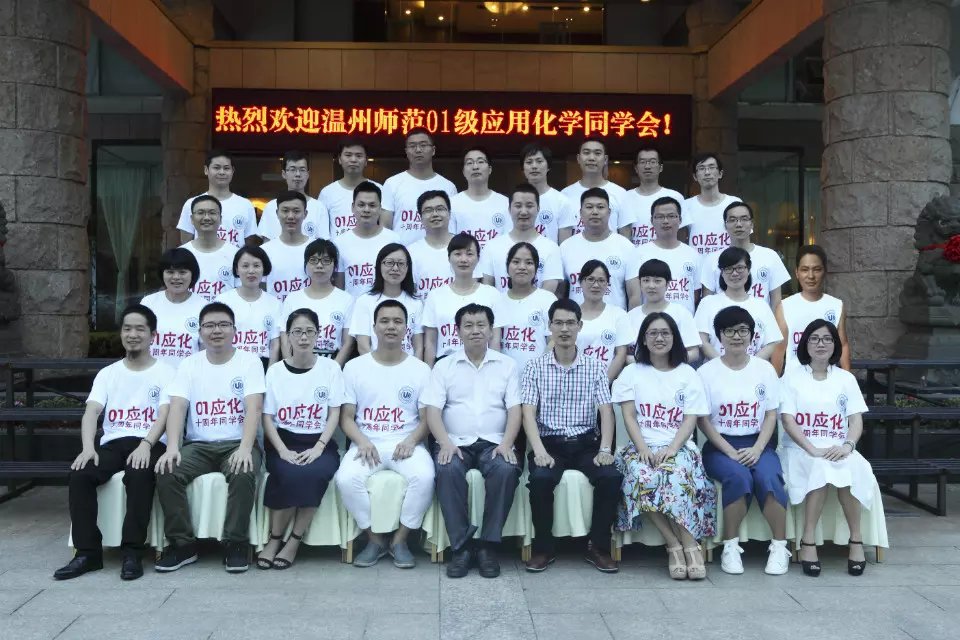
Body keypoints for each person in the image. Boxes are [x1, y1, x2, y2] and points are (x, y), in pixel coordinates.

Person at [54, 305, 175, 582]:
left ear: (153, 335)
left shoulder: (166, 373)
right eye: (127, 329)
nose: (133, 334)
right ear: (121, 334)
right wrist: (88, 448)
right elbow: (92, 412)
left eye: (140, 329)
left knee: (139, 473)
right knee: (80, 474)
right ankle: (87, 553)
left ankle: (132, 551)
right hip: (113, 443)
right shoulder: (108, 373)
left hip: (149, 442)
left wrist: (146, 443)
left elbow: (165, 414)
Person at [153, 302, 266, 573]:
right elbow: (178, 407)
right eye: (210, 325)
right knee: (167, 470)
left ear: (234, 330)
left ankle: (236, 543)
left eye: (223, 325)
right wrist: (172, 447)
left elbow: (254, 408)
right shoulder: (189, 364)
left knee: (243, 471)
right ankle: (183, 544)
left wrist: (245, 448)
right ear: (200, 331)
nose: (217, 330)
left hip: (236, 443)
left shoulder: (249, 361)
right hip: (199, 445)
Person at [612, 312, 716, 580]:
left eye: (665, 333)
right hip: (641, 446)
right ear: (643, 339)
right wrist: (643, 449)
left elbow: (690, 417)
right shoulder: (631, 372)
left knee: (676, 475)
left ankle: (690, 545)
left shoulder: (687, 374)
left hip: (679, 447)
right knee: (641, 476)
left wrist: (672, 448)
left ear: (675, 338)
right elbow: (629, 416)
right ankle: (675, 545)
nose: (659, 338)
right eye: (653, 333)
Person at [521, 299, 621, 573]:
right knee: (540, 480)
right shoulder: (534, 367)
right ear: (550, 326)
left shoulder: (595, 367)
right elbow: (528, 413)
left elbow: (606, 411)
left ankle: (598, 547)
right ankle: (544, 548)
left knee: (611, 477)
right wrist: (539, 451)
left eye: (570, 323)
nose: (564, 329)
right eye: (558, 323)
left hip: (586, 443)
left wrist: (605, 449)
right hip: (550, 444)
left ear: (580, 326)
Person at [422, 304, 522, 578]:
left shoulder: (507, 365)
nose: (475, 330)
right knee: (447, 470)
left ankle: (489, 546)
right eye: (468, 325)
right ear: (457, 331)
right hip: (454, 442)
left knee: (505, 470)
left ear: (491, 330)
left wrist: (506, 443)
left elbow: (515, 409)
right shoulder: (444, 366)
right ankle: (462, 548)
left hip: (495, 442)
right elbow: (433, 411)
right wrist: (445, 443)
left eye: (481, 325)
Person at [335, 300, 434, 568]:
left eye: (397, 321)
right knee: (346, 479)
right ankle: (375, 540)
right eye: (385, 321)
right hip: (367, 442)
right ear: (374, 326)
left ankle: (400, 540)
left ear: (406, 328)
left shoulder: (420, 369)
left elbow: (428, 418)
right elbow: (346, 417)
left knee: (425, 477)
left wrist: (412, 440)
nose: (391, 326)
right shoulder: (355, 367)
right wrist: (362, 440)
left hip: (407, 443)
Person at [697, 306, 791, 576]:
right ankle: (730, 546)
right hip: (720, 445)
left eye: (742, 330)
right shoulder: (706, 372)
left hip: (758, 442)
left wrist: (759, 448)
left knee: (769, 477)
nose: (736, 336)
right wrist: (728, 450)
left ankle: (779, 547)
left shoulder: (765, 370)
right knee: (737, 476)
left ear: (752, 335)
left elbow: (771, 415)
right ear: (719, 336)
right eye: (729, 331)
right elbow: (703, 420)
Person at [780, 319, 873, 577]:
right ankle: (808, 540)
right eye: (814, 338)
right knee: (820, 466)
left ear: (835, 345)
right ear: (805, 344)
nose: (821, 344)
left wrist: (848, 446)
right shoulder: (791, 378)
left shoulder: (846, 379)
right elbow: (787, 420)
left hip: (838, 446)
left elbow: (856, 420)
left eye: (827, 339)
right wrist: (811, 448)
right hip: (801, 448)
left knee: (853, 466)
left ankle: (856, 540)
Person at [256, 309, 345, 570]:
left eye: (309, 331)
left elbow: (334, 413)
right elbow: (267, 417)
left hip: (319, 443)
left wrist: (319, 447)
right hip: (283, 442)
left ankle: (294, 540)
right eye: (297, 332)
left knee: (314, 473)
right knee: (287, 473)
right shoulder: (275, 372)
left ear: (318, 335)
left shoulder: (331, 368)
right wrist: (282, 450)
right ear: (288, 336)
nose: (303, 337)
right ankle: (275, 539)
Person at [422, 233, 503, 366]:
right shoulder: (435, 296)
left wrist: (494, 370)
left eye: (469, 254)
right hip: (445, 366)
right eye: (458, 254)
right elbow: (430, 342)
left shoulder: (491, 294)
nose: (463, 259)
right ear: (449, 258)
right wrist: (430, 372)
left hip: (482, 365)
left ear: (478, 258)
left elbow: (495, 341)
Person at [694, 247, 783, 361]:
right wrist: (723, 365)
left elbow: (771, 343)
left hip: (753, 369)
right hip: (715, 368)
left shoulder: (762, 306)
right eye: (728, 269)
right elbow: (702, 340)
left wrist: (749, 366)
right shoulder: (707, 303)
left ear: (748, 270)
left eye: (740, 268)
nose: (735, 273)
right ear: (721, 272)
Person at [773, 245, 850, 375]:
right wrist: (774, 382)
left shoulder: (836, 306)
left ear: (825, 271)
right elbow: (779, 350)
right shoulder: (785, 307)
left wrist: (848, 379)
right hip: (794, 381)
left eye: (817, 269)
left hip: (828, 380)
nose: (811, 276)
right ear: (797, 273)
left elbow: (843, 345)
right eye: (805, 270)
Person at [279, 239, 355, 368]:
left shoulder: (346, 299)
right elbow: (285, 338)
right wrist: (291, 367)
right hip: (297, 365)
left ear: (335, 266)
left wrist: (333, 369)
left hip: (331, 364)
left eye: (326, 260)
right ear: (305, 265)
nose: (319, 265)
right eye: (313, 260)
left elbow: (348, 343)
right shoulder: (293, 299)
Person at [700, 202, 790, 309]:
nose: (738, 224)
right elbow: (706, 303)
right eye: (732, 220)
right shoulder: (712, 259)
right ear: (725, 225)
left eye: (744, 219)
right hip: (724, 318)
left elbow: (776, 303)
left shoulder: (770, 256)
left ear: (752, 224)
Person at [560, 188, 635, 310]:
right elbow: (560, 293)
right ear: (580, 213)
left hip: (615, 319)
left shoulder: (626, 247)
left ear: (609, 212)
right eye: (589, 207)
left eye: (600, 207)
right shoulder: (566, 247)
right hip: (575, 319)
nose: (595, 212)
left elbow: (634, 295)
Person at [480, 183, 563, 294]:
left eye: (529, 206)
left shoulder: (551, 248)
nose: (523, 212)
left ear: (538, 209)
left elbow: (549, 292)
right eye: (518, 206)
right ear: (509, 209)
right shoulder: (492, 247)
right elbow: (487, 288)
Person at [380, 127, 457, 245]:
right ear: (406, 151)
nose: (418, 150)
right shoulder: (392, 183)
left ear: (433, 150)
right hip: (401, 254)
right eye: (412, 146)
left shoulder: (448, 187)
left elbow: (452, 226)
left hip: (438, 252)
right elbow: (385, 228)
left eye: (423, 145)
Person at [626, 196, 701, 315]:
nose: (666, 221)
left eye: (671, 216)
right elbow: (634, 297)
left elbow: (695, 294)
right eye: (660, 217)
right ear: (652, 220)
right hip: (650, 322)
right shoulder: (638, 253)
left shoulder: (693, 254)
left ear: (680, 220)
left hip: (682, 322)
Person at [349, 243, 424, 358]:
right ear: (379, 266)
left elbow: (418, 347)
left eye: (401, 264)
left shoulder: (416, 303)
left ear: (407, 268)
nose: (395, 268)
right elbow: (363, 346)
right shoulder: (364, 301)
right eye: (389, 263)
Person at [215, 246, 281, 369]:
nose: (251, 271)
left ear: (264, 268)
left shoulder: (275, 303)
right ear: (237, 270)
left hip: (262, 365)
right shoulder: (222, 301)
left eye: (256, 266)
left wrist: (270, 372)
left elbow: (274, 343)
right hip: (228, 364)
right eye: (245, 266)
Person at [177, 149, 257, 247]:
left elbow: (249, 244)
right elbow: (186, 245)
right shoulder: (192, 204)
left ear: (233, 171)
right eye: (216, 168)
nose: (222, 172)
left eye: (226, 168)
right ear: (206, 170)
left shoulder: (245, 205)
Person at [625, 259, 701, 363]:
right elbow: (623, 354)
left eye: (657, 281)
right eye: (646, 280)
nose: (651, 286)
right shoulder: (630, 316)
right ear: (640, 284)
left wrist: (665, 363)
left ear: (668, 284)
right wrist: (645, 362)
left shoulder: (681, 313)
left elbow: (694, 353)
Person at [408, 190, 480, 298]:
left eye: (440, 209)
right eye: (428, 210)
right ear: (420, 217)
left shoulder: (466, 246)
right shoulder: (411, 252)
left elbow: (474, 285)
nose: (435, 214)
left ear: (449, 213)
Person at [141, 248, 206, 367]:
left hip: (188, 375)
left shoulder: (204, 307)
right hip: (152, 374)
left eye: (182, 272)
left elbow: (205, 350)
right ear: (162, 274)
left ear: (193, 274)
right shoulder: (148, 303)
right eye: (170, 272)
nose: (176, 277)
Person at [333, 182, 401, 297]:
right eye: (361, 205)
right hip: (353, 307)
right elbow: (339, 288)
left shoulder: (394, 239)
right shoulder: (339, 243)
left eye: (372, 205)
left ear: (380, 208)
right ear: (352, 207)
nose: (366, 210)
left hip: (385, 306)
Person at [559, 138, 632, 242]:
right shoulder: (565, 195)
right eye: (586, 153)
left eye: (597, 153)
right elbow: (564, 239)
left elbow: (625, 236)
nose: (591, 158)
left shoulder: (621, 194)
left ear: (605, 159)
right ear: (578, 158)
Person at [498, 242, 556, 370]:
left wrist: (539, 370)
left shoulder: (547, 299)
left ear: (536, 268)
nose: (522, 267)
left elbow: (554, 340)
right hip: (504, 376)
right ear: (507, 267)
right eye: (516, 262)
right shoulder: (497, 300)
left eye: (529, 263)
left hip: (539, 375)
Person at [576, 260, 631, 384]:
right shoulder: (571, 315)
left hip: (606, 385)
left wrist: (603, 385)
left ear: (607, 284)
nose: (596, 285)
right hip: (575, 383)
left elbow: (621, 354)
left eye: (601, 280)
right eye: (590, 279)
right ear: (581, 282)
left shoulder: (618, 314)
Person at [257, 151, 331, 241]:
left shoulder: (319, 207)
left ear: (308, 174)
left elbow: (323, 243)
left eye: (302, 170)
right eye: (292, 170)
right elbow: (266, 243)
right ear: (284, 174)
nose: (297, 174)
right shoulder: (271, 207)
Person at [621, 146, 686, 247]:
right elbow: (624, 234)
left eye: (652, 162)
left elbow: (682, 233)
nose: (647, 166)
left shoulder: (675, 197)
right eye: (642, 162)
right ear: (636, 168)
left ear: (661, 167)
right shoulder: (625, 197)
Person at [449, 147, 511, 250]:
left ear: (490, 169)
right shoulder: (452, 204)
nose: (475, 167)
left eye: (480, 162)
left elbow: (509, 242)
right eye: (469, 163)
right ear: (463, 172)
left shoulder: (505, 203)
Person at [319, 139, 382, 237]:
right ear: (340, 159)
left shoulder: (379, 189)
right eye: (348, 155)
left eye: (359, 156)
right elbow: (322, 231)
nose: (353, 160)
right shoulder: (327, 193)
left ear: (366, 160)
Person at [180, 194, 237, 302]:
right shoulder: (181, 253)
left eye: (212, 213)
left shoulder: (235, 254)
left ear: (220, 218)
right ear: (191, 219)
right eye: (200, 213)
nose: (206, 218)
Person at [261, 190, 313, 303]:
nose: (290, 216)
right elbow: (261, 290)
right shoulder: (264, 251)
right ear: (277, 213)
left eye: (296, 211)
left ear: (305, 214)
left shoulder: (315, 249)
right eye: (285, 211)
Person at [519, 142, 577, 243]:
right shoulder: (515, 202)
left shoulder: (562, 201)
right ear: (523, 169)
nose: (534, 166)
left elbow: (565, 246)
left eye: (539, 161)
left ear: (548, 166)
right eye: (529, 162)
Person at [683, 153, 740, 256]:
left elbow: (744, 237)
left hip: (728, 264)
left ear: (720, 173)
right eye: (701, 168)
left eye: (711, 167)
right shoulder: (686, 205)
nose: (707, 172)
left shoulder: (734, 203)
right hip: (697, 264)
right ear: (695, 176)